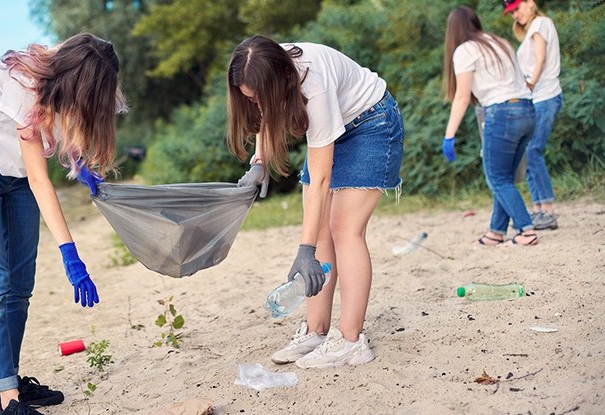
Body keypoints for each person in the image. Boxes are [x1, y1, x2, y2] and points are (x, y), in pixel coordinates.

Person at [0, 33, 125, 415]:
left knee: (21, 285)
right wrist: (70, 254)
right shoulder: (23, 83)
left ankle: (5, 382)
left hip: (17, 180)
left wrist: (81, 165)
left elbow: (75, 123)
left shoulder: (78, 80)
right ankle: (9, 405)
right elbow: (39, 180)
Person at [228, 35, 404, 369]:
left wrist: (304, 252)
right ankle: (316, 331)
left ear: (279, 80)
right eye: (249, 99)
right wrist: (259, 162)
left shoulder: (314, 84)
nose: (255, 105)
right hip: (339, 123)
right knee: (320, 228)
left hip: (371, 123)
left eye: (258, 97)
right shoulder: (267, 65)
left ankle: (351, 340)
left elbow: (321, 179)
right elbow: (266, 111)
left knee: (343, 229)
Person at [442, 6, 538, 247]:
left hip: (501, 114)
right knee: (504, 177)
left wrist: (449, 135)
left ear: (453, 30)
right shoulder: (500, 42)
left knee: (497, 178)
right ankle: (496, 232)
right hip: (527, 110)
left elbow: (462, 97)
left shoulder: (465, 50)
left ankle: (526, 230)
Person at [504, 0, 563, 230]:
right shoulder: (531, 30)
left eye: (517, 9)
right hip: (536, 99)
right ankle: (539, 209)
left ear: (530, 3)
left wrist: (529, 86)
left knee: (533, 150)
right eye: (512, 12)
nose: (515, 15)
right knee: (529, 153)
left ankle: (547, 210)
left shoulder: (540, 23)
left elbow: (541, 59)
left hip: (545, 95)